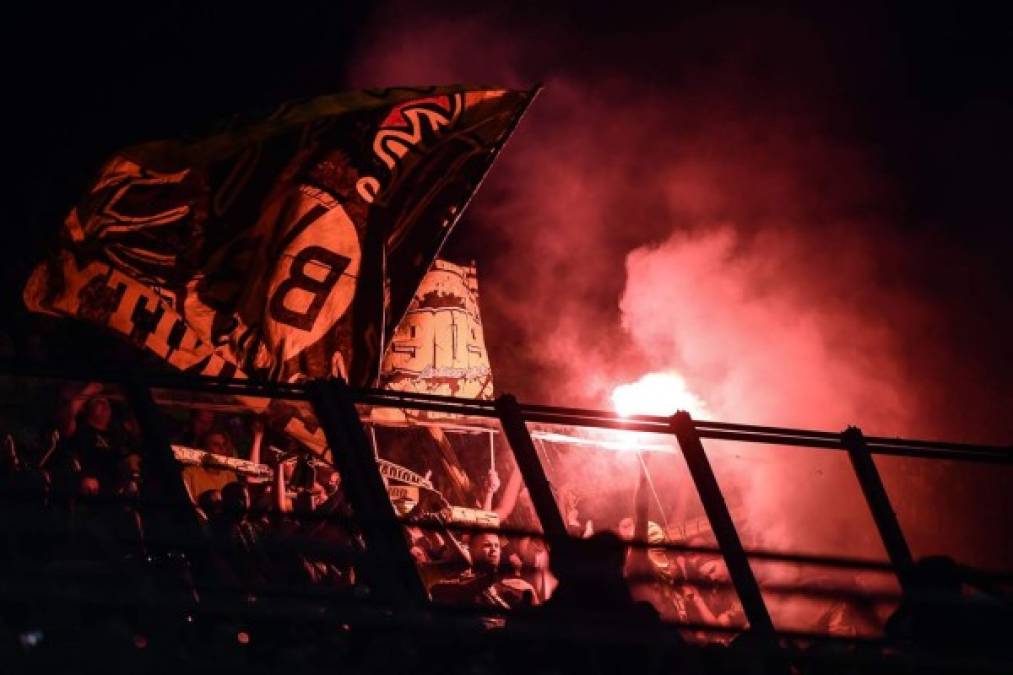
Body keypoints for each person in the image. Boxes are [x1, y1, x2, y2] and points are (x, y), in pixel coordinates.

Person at [429, 532, 539, 610]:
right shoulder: (456, 584)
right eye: (487, 545)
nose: (494, 549)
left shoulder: (519, 587)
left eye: (497, 546)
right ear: (472, 550)